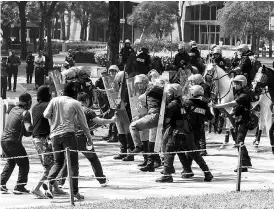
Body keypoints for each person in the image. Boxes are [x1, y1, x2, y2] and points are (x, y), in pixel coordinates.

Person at [43, 82, 93, 200]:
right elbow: (83, 123)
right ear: (75, 93)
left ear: (63, 91)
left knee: (58, 163)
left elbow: (46, 114)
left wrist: (54, 123)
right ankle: (75, 192)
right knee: (73, 164)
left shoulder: (54, 100)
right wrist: (89, 137)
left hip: (54, 136)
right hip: (68, 135)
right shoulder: (75, 103)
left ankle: (49, 183)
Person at [57, 92, 117, 188]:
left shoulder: (68, 110)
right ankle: (101, 180)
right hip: (83, 138)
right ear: (87, 100)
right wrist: (111, 120)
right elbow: (99, 121)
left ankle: (60, 182)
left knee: (67, 160)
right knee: (93, 159)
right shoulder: (88, 111)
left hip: (70, 137)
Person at [155, 84, 214, 183]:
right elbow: (210, 118)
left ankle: (167, 175)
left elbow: (167, 120)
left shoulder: (176, 104)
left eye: (170, 92)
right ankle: (207, 172)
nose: (168, 94)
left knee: (169, 151)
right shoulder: (183, 103)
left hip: (177, 132)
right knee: (195, 154)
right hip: (188, 132)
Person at [31, 86, 67, 198]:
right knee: (51, 167)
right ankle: (36, 188)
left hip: (37, 139)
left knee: (52, 164)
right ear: (48, 95)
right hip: (44, 140)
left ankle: (55, 188)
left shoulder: (35, 107)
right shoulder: (48, 105)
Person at [212, 75, 252, 172]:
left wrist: (216, 106)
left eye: (237, 83)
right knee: (238, 141)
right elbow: (236, 108)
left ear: (242, 84)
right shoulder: (239, 93)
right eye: (235, 83)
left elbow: (232, 104)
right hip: (238, 120)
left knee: (239, 141)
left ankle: (244, 163)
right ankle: (245, 161)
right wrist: (230, 113)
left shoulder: (245, 94)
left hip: (244, 121)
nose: (235, 85)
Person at [0, 93, 33, 194]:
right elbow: (28, 128)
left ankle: (2, 183)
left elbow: (24, 131)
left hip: (3, 140)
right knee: (24, 163)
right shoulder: (25, 113)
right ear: (28, 102)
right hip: (13, 141)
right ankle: (20, 186)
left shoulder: (13, 109)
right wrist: (34, 127)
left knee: (11, 161)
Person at [129, 82, 164, 155]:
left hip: (153, 116)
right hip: (159, 116)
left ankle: (138, 146)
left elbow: (140, 97)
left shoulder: (151, 92)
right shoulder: (163, 94)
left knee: (133, 126)